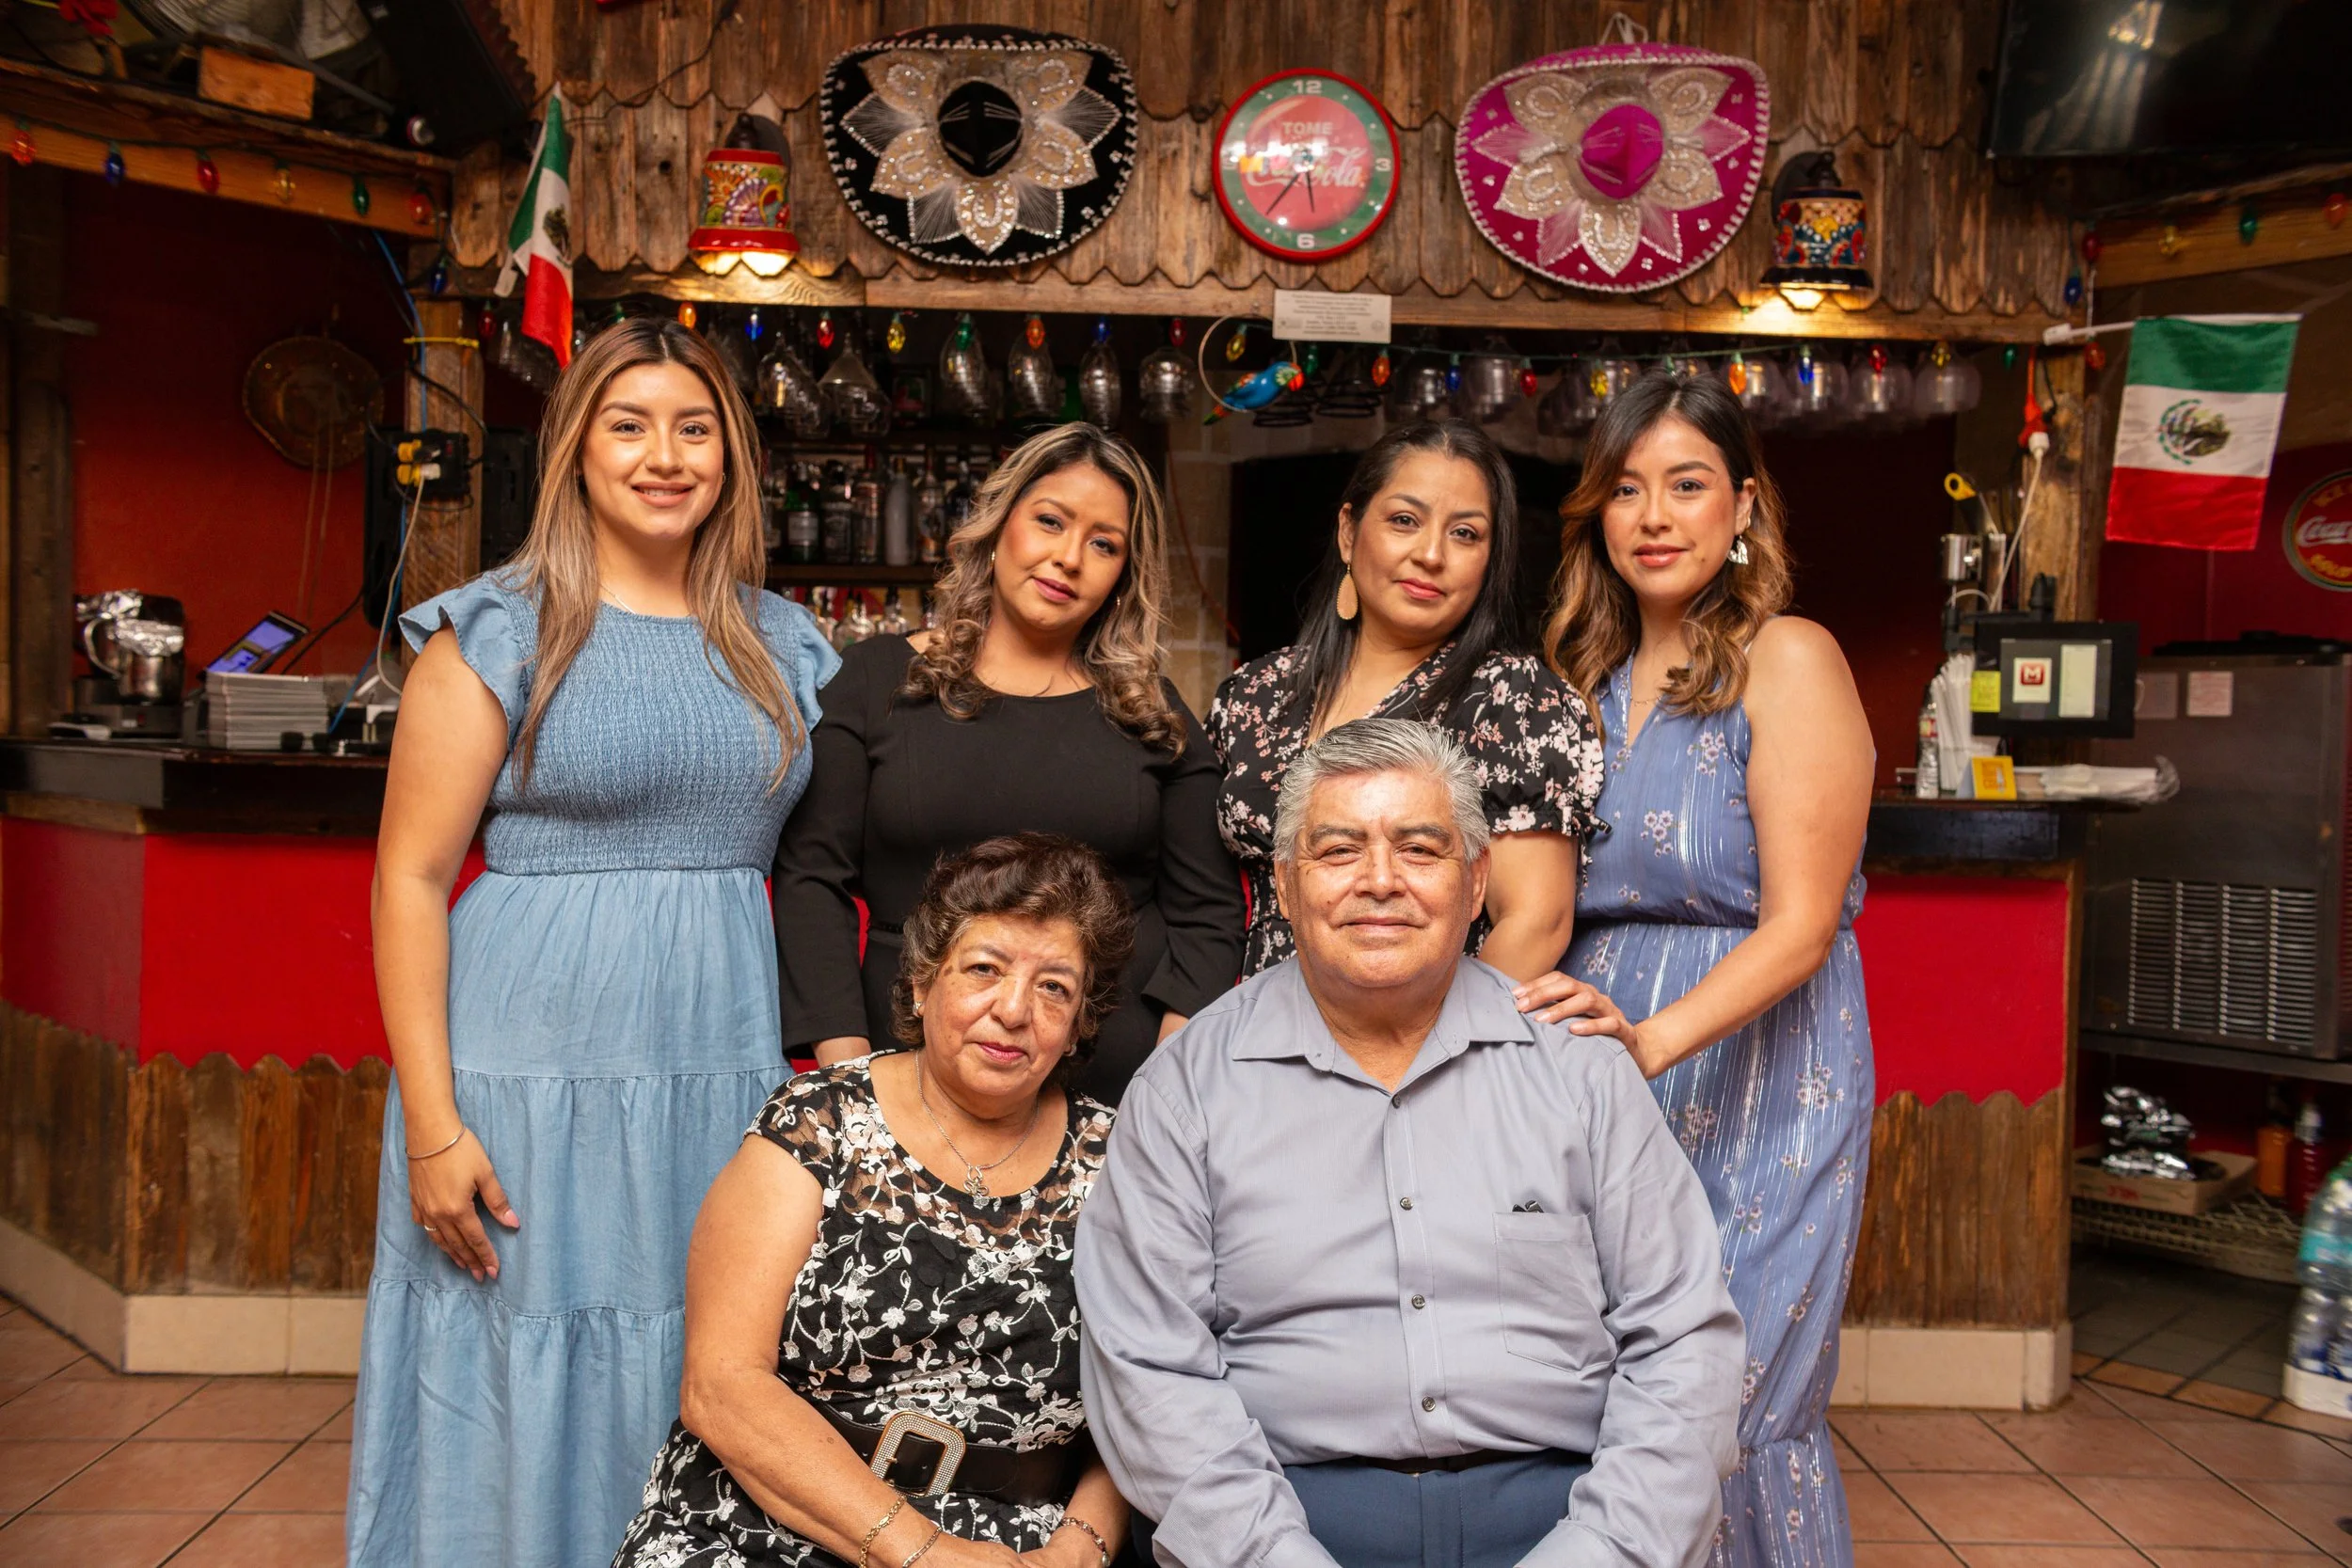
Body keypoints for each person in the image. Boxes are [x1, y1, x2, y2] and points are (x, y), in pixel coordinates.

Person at [348, 318, 840, 1568]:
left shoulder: (782, 642)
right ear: (576, 450)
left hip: (717, 1059)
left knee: (707, 1349)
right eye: (628, 426)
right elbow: (409, 877)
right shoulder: (497, 631)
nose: (663, 456)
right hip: (528, 1071)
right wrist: (432, 1118)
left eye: (695, 428)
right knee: (519, 1353)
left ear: (732, 457)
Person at [1076, 719, 1741, 1568]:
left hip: (1565, 1517)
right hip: (1288, 1519)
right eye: (1339, 850)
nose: (1380, 881)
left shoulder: (1578, 1067)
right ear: (1283, 885)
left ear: (1475, 883)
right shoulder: (1185, 1089)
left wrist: (1605, 1551)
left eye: (1420, 849)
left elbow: (1685, 1339)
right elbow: (1148, 1369)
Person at [1524, 368, 1875, 1568]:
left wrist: (1647, 1042)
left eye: (1686, 485)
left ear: (1743, 509)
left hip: (1762, 1069)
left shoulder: (1789, 657)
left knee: (1730, 1399)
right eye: (1627, 489)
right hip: (1599, 1085)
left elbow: (1803, 925)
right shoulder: (1574, 682)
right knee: (1611, 1400)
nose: (1655, 515)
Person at [615, 834, 1134, 1568]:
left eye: (1054, 986)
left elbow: (1158, 1387)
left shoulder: (1121, 1162)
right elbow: (721, 1383)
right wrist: (922, 1551)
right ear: (923, 982)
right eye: (984, 969)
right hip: (766, 1519)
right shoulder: (818, 1120)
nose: (1015, 1009)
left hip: (1012, 1549)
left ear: (1082, 1019)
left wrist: (1077, 1550)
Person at [774, 421, 1243, 1102]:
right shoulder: (881, 681)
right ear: (999, 527)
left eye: (1103, 543)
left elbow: (1209, 912)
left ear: (1123, 574)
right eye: (1050, 521)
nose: (1069, 557)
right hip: (906, 1074)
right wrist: (851, 1075)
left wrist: (1166, 1079)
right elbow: (811, 879)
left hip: (1112, 1089)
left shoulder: (1152, 713)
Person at [1210, 420, 1601, 982]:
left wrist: (1428, 1060)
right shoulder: (1255, 694)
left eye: (1465, 534)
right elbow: (1202, 905)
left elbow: (1534, 922)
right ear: (1349, 532)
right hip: (1249, 1038)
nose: (1431, 554)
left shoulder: (1514, 700)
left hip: (1421, 1044)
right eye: (1404, 521)